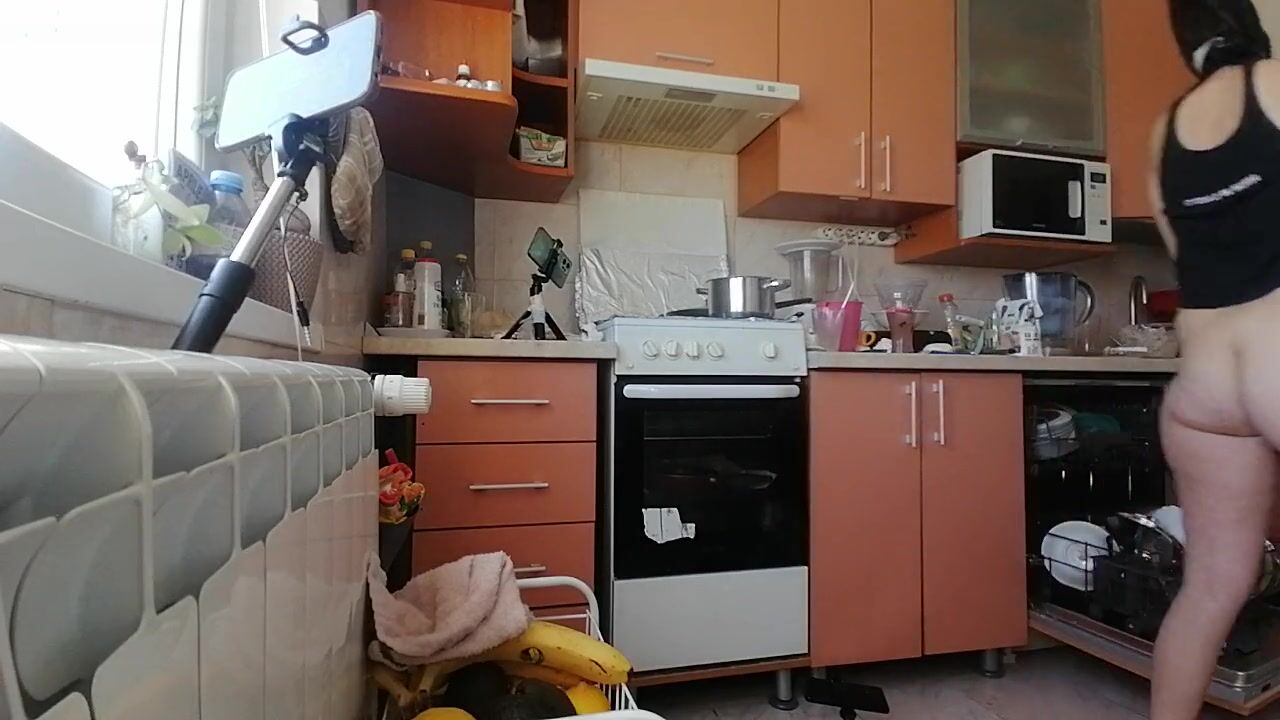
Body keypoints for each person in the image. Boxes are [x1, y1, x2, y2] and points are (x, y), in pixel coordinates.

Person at [1148, 1, 1280, 718]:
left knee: (1209, 590)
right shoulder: (1276, 84)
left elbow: (1187, 255)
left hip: (1201, 389)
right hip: (1273, 356)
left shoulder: (1164, 129)